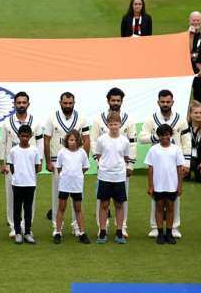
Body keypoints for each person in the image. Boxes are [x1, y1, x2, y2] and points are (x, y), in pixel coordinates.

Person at [138, 89, 191, 238]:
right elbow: (142, 138)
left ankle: (174, 227)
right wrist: (159, 137)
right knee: (157, 198)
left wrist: (187, 163)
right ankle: (156, 227)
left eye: (168, 102)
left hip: (176, 162)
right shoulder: (151, 119)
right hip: (159, 164)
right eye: (163, 102)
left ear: (172, 102)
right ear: (158, 102)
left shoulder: (181, 120)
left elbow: (187, 142)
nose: (165, 104)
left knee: (174, 199)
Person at [90, 87, 136, 238]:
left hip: (121, 169)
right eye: (113, 100)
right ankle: (102, 227)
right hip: (104, 169)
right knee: (102, 201)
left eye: (118, 100)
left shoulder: (129, 119)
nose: (115, 103)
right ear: (108, 101)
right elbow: (93, 141)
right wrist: (98, 162)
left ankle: (122, 227)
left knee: (121, 200)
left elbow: (133, 143)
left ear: (122, 101)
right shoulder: (98, 119)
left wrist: (130, 165)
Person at [43, 92, 91, 237]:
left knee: (77, 198)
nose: (68, 106)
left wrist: (83, 162)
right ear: (60, 103)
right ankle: (57, 227)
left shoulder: (82, 118)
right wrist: (48, 162)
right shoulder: (52, 118)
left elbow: (87, 140)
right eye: (65, 103)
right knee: (58, 196)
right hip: (58, 161)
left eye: (70, 103)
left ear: (74, 103)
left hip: (76, 164)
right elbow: (46, 140)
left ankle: (77, 227)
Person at [0, 92, 43, 238]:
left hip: (30, 165)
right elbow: (3, 143)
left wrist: (40, 161)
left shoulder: (36, 122)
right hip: (12, 163)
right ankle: (13, 226)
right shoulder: (7, 123)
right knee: (12, 197)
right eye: (18, 103)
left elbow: (40, 143)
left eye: (24, 102)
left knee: (30, 199)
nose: (21, 105)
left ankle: (27, 226)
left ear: (28, 104)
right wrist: (2, 163)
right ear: (14, 104)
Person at [94, 112, 131, 245]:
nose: (113, 126)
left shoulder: (125, 141)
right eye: (111, 124)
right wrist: (104, 167)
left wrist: (119, 168)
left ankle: (119, 231)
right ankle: (103, 231)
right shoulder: (101, 139)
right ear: (107, 125)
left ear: (120, 124)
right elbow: (98, 155)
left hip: (119, 177)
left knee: (119, 205)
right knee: (104, 204)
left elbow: (126, 157)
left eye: (116, 124)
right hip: (104, 176)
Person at [145, 124, 184, 245]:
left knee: (171, 208)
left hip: (172, 185)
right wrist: (151, 186)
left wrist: (179, 186)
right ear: (158, 136)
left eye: (167, 135)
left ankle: (169, 233)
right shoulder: (153, 149)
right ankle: (160, 233)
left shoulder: (176, 149)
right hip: (158, 186)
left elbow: (179, 169)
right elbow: (150, 169)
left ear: (170, 135)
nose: (164, 137)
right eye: (161, 135)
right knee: (159, 208)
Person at [54, 130, 90, 245]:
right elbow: (59, 167)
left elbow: (85, 167)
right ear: (67, 141)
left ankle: (82, 233)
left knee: (78, 209)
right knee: (61, 208)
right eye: (70, 140)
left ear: (78, 141)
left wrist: (78, 175)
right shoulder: (62, 152)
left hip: (77, 185)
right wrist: (65, 176)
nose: (72, 142)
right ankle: (58, 233)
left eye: (75, 140)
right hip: (64, 185)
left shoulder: (82, 153)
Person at [6, 125, 41, 245]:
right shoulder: (13, 150)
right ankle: (17, 232)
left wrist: (29, 176)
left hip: (30, 184)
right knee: (17, 209)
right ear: (18, 136)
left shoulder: (35, 150)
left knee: (28, 209)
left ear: (30, 136)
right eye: (22, 136)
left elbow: (37, 167)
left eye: (27, 136)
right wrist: (18, 177)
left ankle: (27, 232)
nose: (24, 138)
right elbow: (11, 166)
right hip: (17, 184)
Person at [186, 100, 201, 183]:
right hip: (187, 158)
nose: (199, 115)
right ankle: (187, 171)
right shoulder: (185, 126)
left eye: (200, 113)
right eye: (196, 113)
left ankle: (197, 169)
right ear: (190, 114)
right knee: (184, 176)